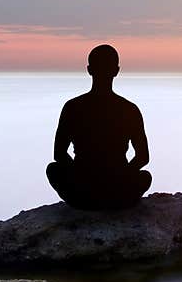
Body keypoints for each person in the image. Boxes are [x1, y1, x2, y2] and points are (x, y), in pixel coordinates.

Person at [46, 44, 152, 210]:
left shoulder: (72, 107)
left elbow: (59, 155)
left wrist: (81, 174)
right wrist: (120, 175)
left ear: (89, 70)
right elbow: (143, 157)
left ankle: (86, 203)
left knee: (53, 170)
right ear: (116, 71)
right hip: (117, 191)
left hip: (82, 191)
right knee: (144, 177)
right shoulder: (129, 109)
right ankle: (114, 204)